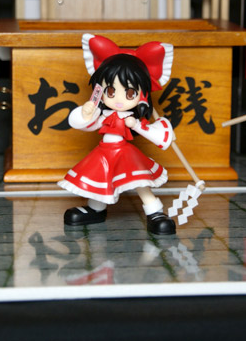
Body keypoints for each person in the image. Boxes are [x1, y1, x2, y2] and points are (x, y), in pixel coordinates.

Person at [58, 34, 176, 235]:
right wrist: (86, 114)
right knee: (100, 179)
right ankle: (95, 209)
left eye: (130, 93)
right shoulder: (103, 114)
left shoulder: (131, 117)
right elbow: (85, 124)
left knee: (140, 181)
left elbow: (149, 131)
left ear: (142, 94)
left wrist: (136, 124)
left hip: (124, 152)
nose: (119, 100)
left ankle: (154, 211)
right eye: (111, 91)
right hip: (104, 152)